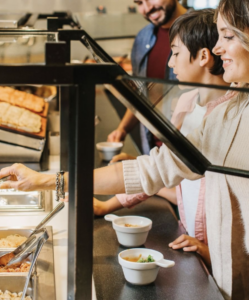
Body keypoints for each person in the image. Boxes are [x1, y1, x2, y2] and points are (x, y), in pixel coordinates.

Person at [0, 0, 249, 298]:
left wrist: (213, 252)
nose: (219, 49)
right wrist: (49, 180)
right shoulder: (226, 112)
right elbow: (155, 170)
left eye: (228, 37)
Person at [95, 9, 233, 266]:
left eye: (176, 53)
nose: (170, 63)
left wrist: (210, 251)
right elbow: (161, 171)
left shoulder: (233, 117)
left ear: (203, 56)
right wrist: (107, 206)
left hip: (219, 257)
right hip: (189, 233)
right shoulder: (185, 103)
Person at [107, 0, 187, 154]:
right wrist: (122, 129)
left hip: (188, 156)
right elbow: (142, 96)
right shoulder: (142, 37)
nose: (147, 8)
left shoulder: (203, 31)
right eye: (139, 2)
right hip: (151, 153)